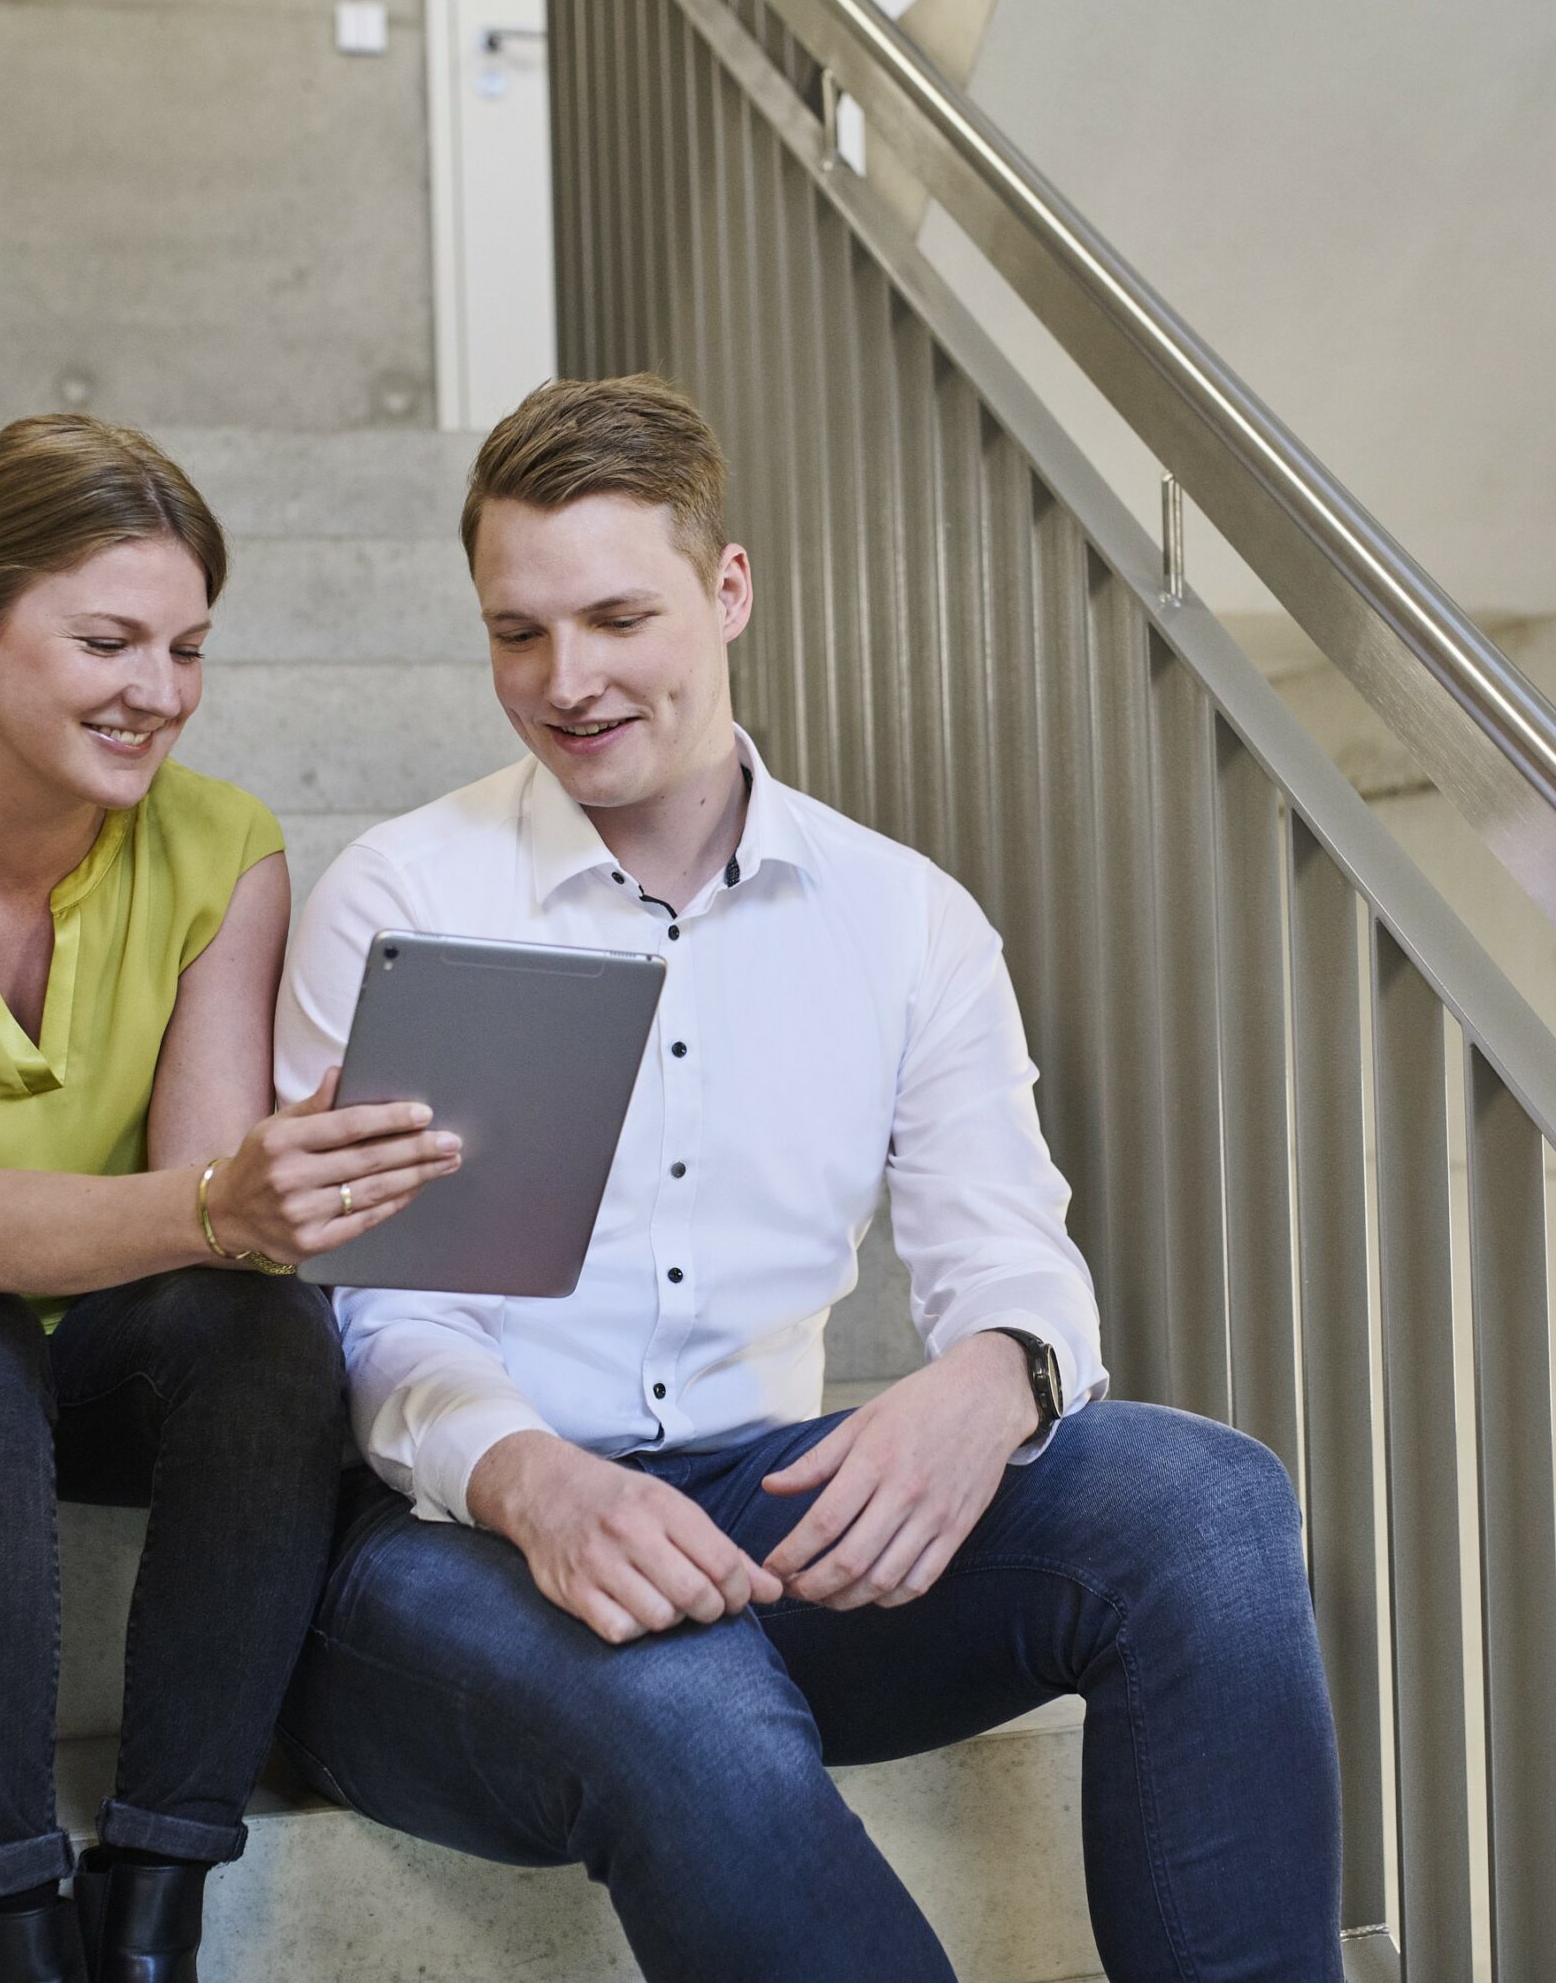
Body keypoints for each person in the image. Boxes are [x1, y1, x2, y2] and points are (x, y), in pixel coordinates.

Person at [271, 376, 1345, 1980]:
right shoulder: (407, 894)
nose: (566, 682)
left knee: (1205, 1505)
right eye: (517, 632)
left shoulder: (904, 918)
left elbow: (1015, 1258)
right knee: (687, 1690)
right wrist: (538, 1484)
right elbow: (374, 1309)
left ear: (729, 592)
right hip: (446, 1552)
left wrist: (992, 1379)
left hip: (759, 1514)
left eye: (619, 615)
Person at [0, 415, 462, 1983]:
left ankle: (157, 1902)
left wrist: (268, 1195)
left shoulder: (222, 844)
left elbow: (188, 1209)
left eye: (188, 648)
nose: (159, 692)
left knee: (260, 1336)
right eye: (110, 639)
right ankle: (6, 1923)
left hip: (85, 1345)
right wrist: (220, 1199)